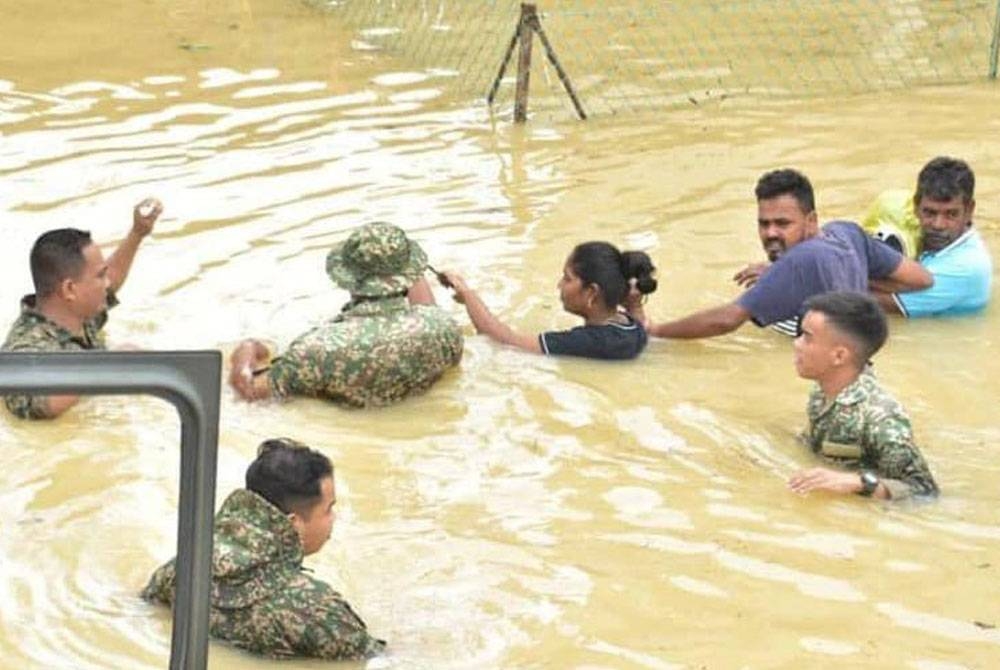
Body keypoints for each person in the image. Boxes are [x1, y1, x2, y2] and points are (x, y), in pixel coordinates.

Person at [142, 438, 386, 660]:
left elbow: (148, 610)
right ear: (294, 523)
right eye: (328, 509)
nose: (334, 518)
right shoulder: (318, 612)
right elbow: (373, 659)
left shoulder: (183, 567)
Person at [636, 169, 932, 339]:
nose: (771, 233)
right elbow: (921, 278)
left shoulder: (798, 263)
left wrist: (655, 330)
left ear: (811, 220)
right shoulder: (847, 234)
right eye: (763, 224)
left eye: (783, 223)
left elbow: (726, 320)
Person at [229, 222, 462, 406]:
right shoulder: (446, 329)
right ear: (408, 276)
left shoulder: (314, 351)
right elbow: (426, 312)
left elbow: (249, 392)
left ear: (347, 277)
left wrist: (246, 351)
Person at [2, 198, 163, 419]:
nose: (107, 283)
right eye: (100, 276)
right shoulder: (25, 349)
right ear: (69, 289)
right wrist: (111, 363)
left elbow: (113, 278)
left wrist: (137, 233)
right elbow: (39, 404)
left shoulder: (77, 314)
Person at [787, 292, 938, 500]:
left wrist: (859, 483)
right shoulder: (822, 390)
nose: (796, 344)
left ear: (839, 356)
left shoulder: (880, 418)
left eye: (807, 337)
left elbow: (924, 492)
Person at [441, 241, 657, 359]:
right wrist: (634, 304)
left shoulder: (587, 341)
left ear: (591, 293)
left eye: (567, 278)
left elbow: (505, 340)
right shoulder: (634, 329)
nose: (560, 285)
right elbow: (640, 320)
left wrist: (467, 294)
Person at [870, 156, 992, 318]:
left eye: (951, 214)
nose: (938, 225)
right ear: (915, 206)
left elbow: (870, 303)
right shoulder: (900, 215)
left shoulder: (965, 267)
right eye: (929, 213)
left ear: (969, 210)